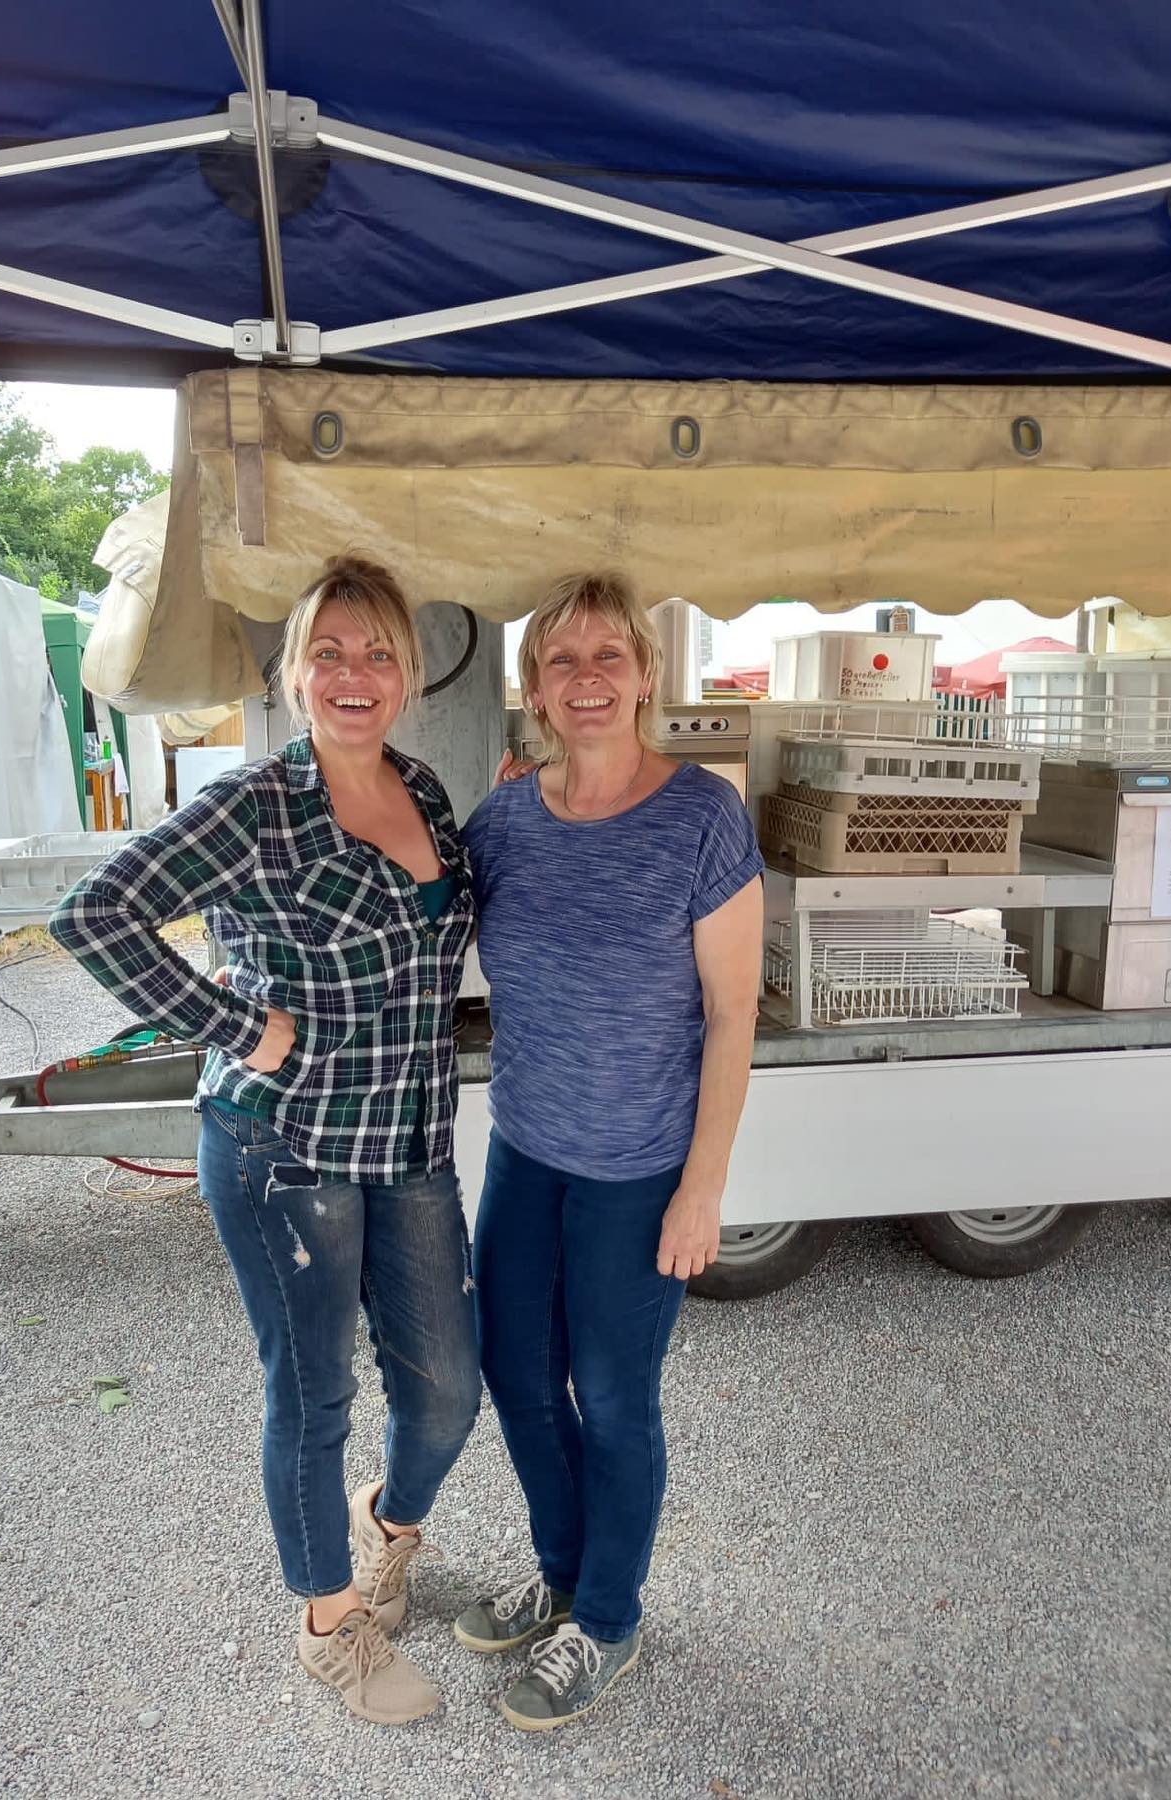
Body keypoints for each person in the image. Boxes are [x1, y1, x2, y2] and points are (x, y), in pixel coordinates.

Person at [50, 556, 480, 1726]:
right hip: (283, 1149)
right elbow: (92, 917)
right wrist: (241, 1022)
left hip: (409, 1145)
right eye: (329, 653)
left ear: (407, 674)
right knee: (314, 1393)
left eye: (377, 652)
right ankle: (329, 1625)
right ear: (295, 675)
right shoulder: (254, 806)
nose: (355, 674)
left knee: (445, 1390)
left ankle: (386, 1533)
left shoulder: (427, 792)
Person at [455, 569, 764, 1731]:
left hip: (640, 1169)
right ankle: (566, 1571)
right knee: (516, 1374)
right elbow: (426, 923)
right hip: (527, 1152)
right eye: (563, 660)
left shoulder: (701, 818)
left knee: (616, 1399)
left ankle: (612, 1619)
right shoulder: (504, 822)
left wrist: (703, 1190)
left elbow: (733, 1017)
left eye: (608, 657)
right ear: (533, 686)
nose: (587, 680)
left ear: (644, 674)